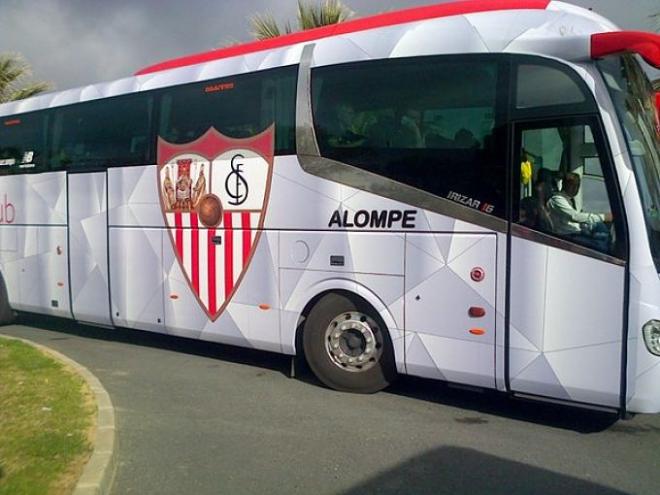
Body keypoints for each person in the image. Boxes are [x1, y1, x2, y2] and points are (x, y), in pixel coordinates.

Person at [547, 172, 613, 251]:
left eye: (577, 185)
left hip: (576, 232)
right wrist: (604, 217)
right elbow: (574, 217)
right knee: (603, 247)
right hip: (566, 236)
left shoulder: (569, 200)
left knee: (599, 226)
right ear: (564, 184)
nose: (575, 188)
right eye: (572, 185)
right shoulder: (557, 199)